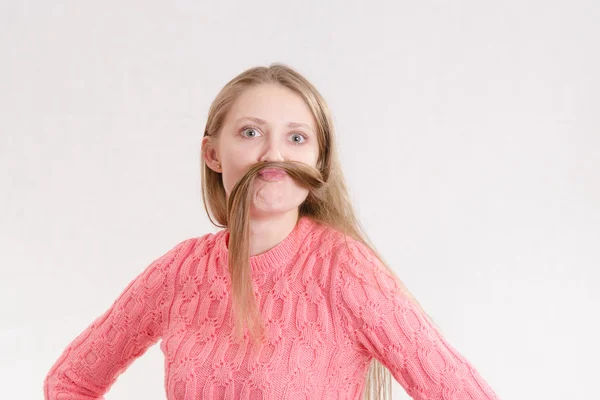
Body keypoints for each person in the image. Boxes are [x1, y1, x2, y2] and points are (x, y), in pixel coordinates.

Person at [44, 63, 501, 400]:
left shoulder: (344, 270)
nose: (272, 154)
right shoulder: (180, 271)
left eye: (296, 138)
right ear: (213, 154)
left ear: (318, 162)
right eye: (250, 133)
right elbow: (69, 382)